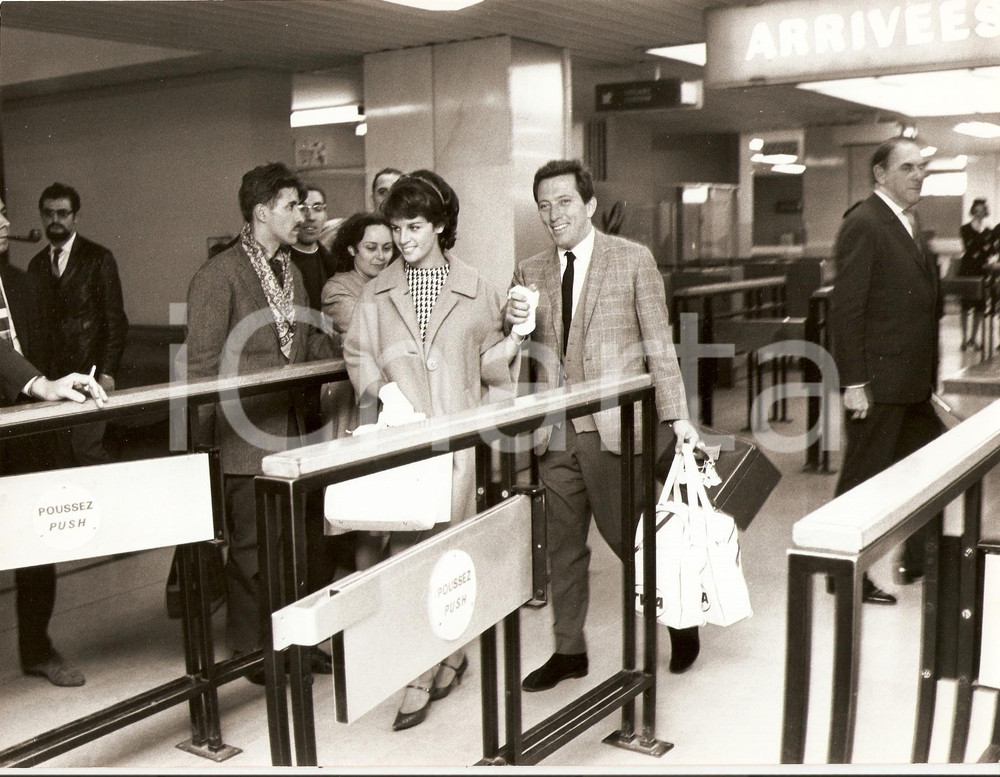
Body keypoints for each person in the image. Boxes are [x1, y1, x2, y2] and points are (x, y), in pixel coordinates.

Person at [504, 159, 701, 688]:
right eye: (544, 205)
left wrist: (677, 417)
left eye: (564, 201)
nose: (554, 214)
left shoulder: (632, 259)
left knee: (632, 542)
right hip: (555, 434)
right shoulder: (529, 270)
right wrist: (513, 325)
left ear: (589, 205)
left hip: (614, 429)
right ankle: (569, 650)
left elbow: (659, 344)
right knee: (562, 549)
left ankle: (681, 620)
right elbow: (521, 348)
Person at [344, 170, 520, 731]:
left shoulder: (477, 289)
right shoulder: (376, 292)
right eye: (396, 228)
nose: (403, 239)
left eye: (414, 227)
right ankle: (425, 669)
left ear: (440, 226)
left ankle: (443, 658)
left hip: (458, 446)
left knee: (451, 555)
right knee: (406, 557)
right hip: (403, 443)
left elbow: (491, 366)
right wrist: (383, 390)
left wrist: (515, 338)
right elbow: (357, 351)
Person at [185, 162, 333, 682]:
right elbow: (200, 369)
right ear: (261, 212)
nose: (302, 216)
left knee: (292, 547)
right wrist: (205, 452)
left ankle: (293, 644)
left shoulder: (291, 272)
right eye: (292, 206)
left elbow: (304, 342)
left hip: (292, 431)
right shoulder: (218, 274)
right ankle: (252, 652)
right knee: (251, 552)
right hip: (241, 438)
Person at [828, 136, 943, 606]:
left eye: (921, 167)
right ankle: (842, 574)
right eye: (907, 167)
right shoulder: (865, 223)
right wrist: (854, 382)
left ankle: (918, 559)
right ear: (881, 173)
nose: (919, 175)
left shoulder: (908, 221)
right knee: (862, 481)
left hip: (911, 383)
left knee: (931, 469)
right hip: (878, 384)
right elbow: (847, 308)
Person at [2, 193, 109, 687]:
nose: (5, 221)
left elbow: (46, 352)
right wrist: (39, 384)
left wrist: (63, 387)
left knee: (36, 543)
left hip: (25, 433)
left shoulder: (22, 283)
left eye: (3, 211)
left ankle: (36, 648)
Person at [27, 182, 128, 468]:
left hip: (90, 376)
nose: (55, 220)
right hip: (51, 381)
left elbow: (116, 322)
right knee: (58, 459)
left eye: (62, 213)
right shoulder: (36, 265)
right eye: (49, 213)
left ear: (75, 217)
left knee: (88, 453)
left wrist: (107, 373)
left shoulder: (98, 259)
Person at [320, 211, 395, 438]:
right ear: (352, 249)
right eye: (371, 248)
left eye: (387, 248)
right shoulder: (336, 288)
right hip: (351, 397)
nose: (380, 256)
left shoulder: (394, 284)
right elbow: (372, 332)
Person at [957, 198, 999, 350]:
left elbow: (990, 250)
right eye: (977, 210)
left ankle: (973, 339)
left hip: (982, 271)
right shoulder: (965, 229)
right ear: (973, 211)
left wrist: (984, 248)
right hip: (967, 271)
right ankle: (964, 339)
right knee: (965, 305)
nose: (980, 213)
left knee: (980, 307)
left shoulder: (988, 231)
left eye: (982, 211)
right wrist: (983, 246)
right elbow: (970, 247)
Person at [290, 185, 336, 300]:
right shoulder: (279, 263)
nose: (310, 217)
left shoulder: (333, 264)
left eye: (317, 208)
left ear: (325, 215)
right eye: (302, 208)